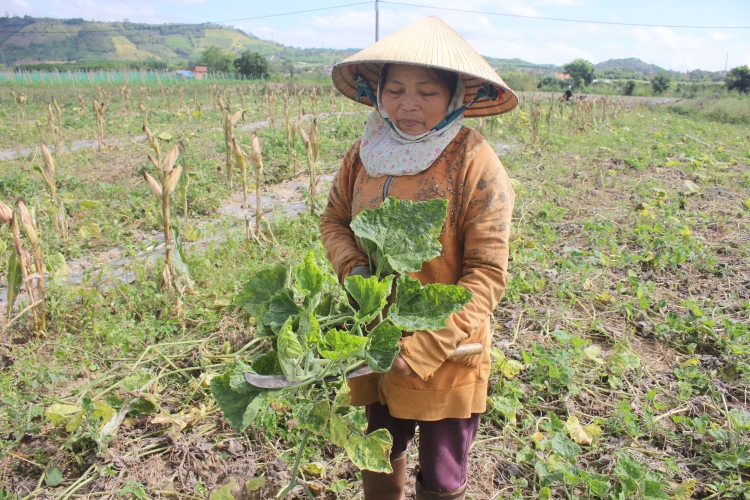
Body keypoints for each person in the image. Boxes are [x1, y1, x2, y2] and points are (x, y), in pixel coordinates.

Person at [320, 16, 517, 500]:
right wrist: (356, 270)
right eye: (396, 89)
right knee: (381, 450)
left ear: (454, 98)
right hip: (376, 334)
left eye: (427, 92)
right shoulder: (365, 152)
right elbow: (334, 221)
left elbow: (487, 274)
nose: (408, 104)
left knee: (444, 471)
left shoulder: (474, 161)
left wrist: (427, 344)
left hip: (450, 344)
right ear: (378, 91)